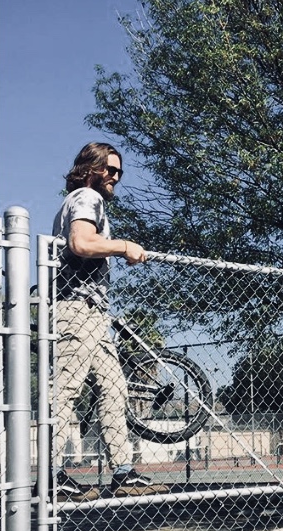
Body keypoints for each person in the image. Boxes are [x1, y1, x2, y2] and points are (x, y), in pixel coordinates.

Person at [51, 142, 167, 500]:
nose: (115, 176)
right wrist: (123, 245)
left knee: (114, 389)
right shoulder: (87, 196)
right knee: (65, 390)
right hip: (76, 308)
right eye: (109, 169)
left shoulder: (87, 200)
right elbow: (82, 243)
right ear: (89, 169)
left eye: (119, 171)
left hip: (94, 313)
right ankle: (48, 476)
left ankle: (122, 472)